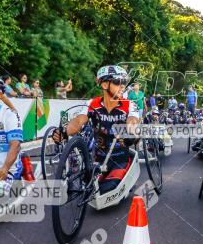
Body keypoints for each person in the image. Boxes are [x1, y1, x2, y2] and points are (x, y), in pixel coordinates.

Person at [54, 65, 140, 193]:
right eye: (118, 82)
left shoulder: (129, 105)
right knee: (89, 190)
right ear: (105, 85)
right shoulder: (92, 103)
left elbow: (132, 121)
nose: (123, 86)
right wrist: (64, 132)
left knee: (105, 190)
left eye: (124, 82)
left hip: (120, 159)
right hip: (98, 161)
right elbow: (78, 121)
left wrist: (132, 132)